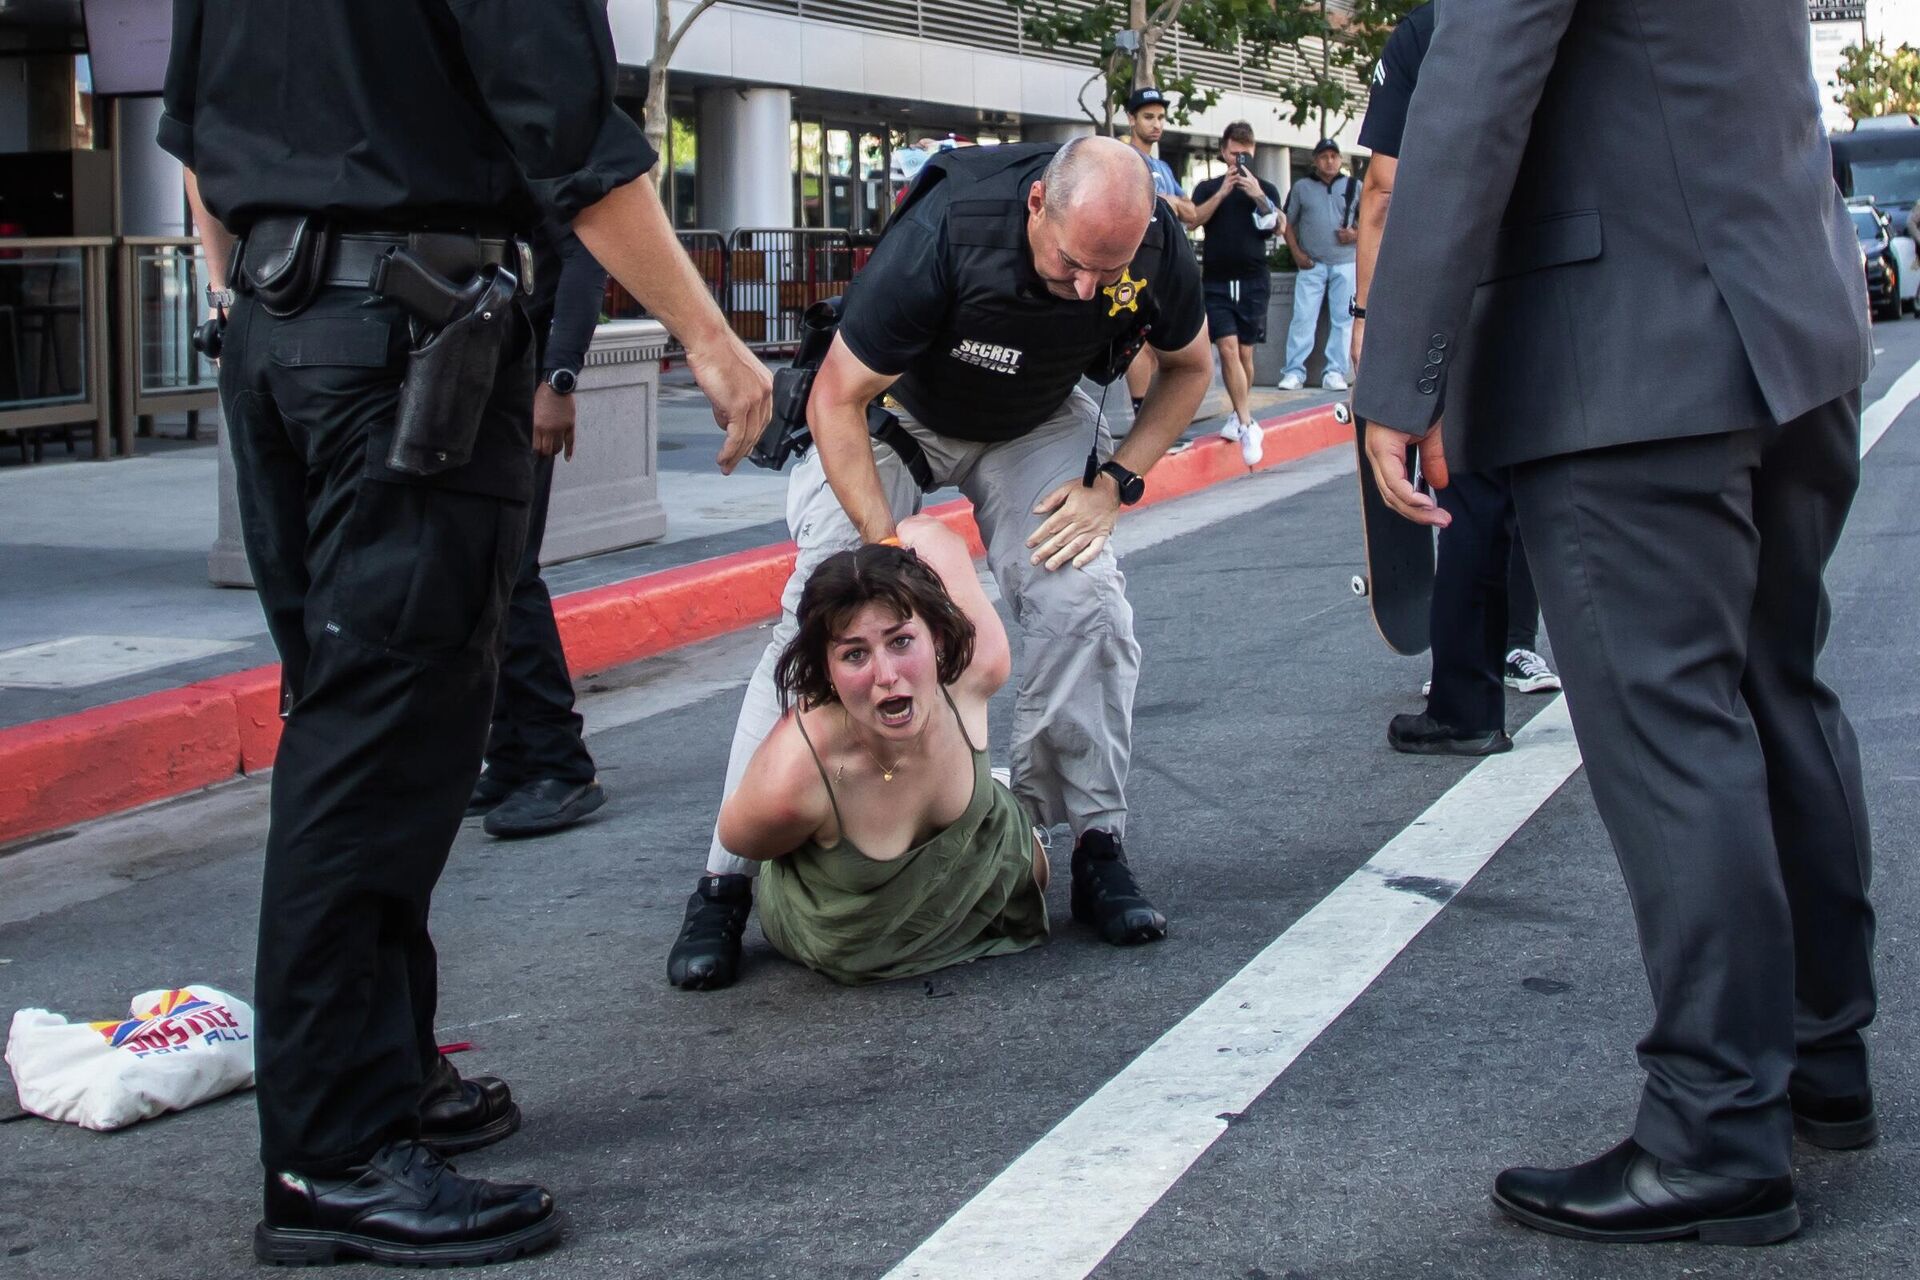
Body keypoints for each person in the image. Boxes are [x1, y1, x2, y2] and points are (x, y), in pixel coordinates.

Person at [162, 0, 771, 1266]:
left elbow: (195, 153)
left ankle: (383, 1078)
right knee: (376, 744)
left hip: (283, 335)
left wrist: (278, 312)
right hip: (404, 341)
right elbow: (576, 143)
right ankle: (332, 1153)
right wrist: (712, 341)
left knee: (358, 724)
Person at [1356, 0, 1875, 1247]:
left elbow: (1473, 95)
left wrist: (1400, 371)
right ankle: (1820, 1054)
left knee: (1673, 736)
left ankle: (1714, 1132)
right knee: (1776, 694)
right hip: (1787, 320)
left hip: (1628, 355)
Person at [668, 137, 1211, 991]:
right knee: (827, 608)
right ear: (1037, 206)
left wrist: (1114, 484)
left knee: (1086, 604)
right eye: (1073, 264)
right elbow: (836, 398)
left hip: (1034, 422)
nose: (1087, 289)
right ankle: (722, 882)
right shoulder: (949, 231)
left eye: (1109, 273)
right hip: (896, 417)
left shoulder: (1151, 249)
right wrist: (886, 555)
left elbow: (1189, 369)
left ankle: (1080, 839)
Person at [1349, 1, 1558, 758]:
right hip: (1586, 278)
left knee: (1465, 487)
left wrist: (1374, 317)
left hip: (1474, 287)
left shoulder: (1429, 29)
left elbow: (1385, 190)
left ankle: (1468, 703)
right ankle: (1532, 645)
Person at [717, 517, 1049, 984]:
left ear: (936, 637)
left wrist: (885, 554)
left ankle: (985, 796)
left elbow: (934, 535)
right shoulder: (794, 774)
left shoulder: (976, 668)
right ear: (825, 671)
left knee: (1029, 858)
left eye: (900, 641)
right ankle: (986, 789)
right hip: (855, 940)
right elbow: (741, 842)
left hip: (989, 884)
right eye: (855, 654)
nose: (886, 674)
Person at [467, 219, 611, 838]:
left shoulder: (532, 142)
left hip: (522, 382)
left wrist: (558, 380)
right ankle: (514, 754)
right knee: (480, 576)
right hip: (466, 373)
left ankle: (561, 764)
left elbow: (586, 257)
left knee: (510, 573)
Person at [1189, 122, 1283, 467]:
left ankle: (1239, 414)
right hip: (1216, 279)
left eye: (1246, 151)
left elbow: (1275, 225)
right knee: (1226, 348)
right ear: (1223, 151)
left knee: (1244, 353)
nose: (1239, 158)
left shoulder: (1266, 188)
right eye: (1234, 151)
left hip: (1253, 280)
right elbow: (1194, 220)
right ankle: (1246, 422)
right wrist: (1223, 192)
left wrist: (1255, 192)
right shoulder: (1207, 187)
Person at [1120, 87, 1198, 421]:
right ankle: (1142, 416)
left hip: (1168, 265)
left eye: (1161, 118)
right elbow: (1137, 200)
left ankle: (1153, 418)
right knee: (1141, 344)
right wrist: (1171, 202)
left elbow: (1191, 213)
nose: (1156, 124)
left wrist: (1166, 199)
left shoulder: (1162, 166)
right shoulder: (1124, 159)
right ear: (1131, 119)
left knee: (1166, 345)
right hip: (1137, 261)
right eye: (1148, 117)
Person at [1277, 140, 1359, 392]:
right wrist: (1296, 253)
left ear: (1341, 159)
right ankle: (1293, 371)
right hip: (1312, 264)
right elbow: (1286, 222)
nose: (1330, 161)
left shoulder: (1355, 186)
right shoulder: (1302, 187)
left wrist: (1355, 234)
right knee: (1303, 318)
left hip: (1345, 263)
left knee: (1343, 320)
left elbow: (1373, 221)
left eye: (1334, 156)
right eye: (1324, 156)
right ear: (1315, 160)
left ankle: (1335, 372)